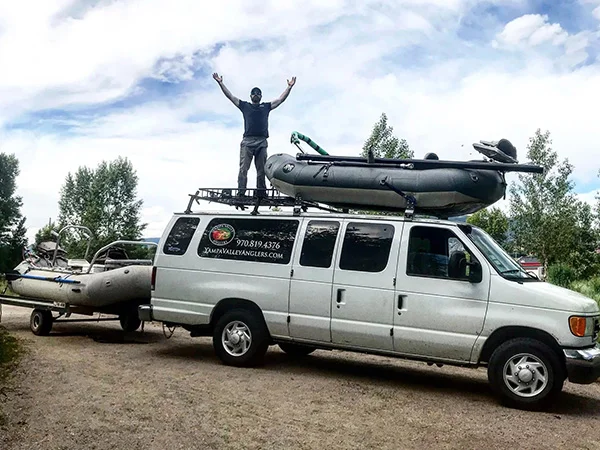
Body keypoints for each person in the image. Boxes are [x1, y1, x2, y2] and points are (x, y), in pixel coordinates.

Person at [213, 72, 296, 197]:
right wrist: (220, 83)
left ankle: (261, 192)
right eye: (254, 93)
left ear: (261, 96)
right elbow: (230, 96)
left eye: (258, 93)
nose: (256, 95)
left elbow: (280, 100)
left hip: (262, 141)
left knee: (261, 169)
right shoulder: (245, 106)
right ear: (251, 96)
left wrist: (289, 87)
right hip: (248, 141)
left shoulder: (266, 106)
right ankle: (241, 192)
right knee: (243, 169)